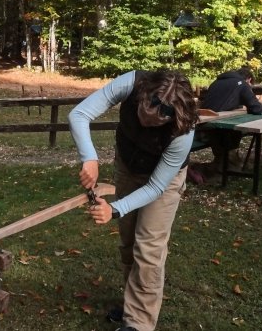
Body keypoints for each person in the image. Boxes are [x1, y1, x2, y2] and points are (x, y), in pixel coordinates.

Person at [68, 70, 198, 331]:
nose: (147, 120)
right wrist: (89, 157)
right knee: (128, 241)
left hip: (164, 180)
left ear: (173, 116)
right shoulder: (131, 83)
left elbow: (156, 187)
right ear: (143, 93)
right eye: (143, 111)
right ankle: (133, 305)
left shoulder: (182, 132)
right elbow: (79, 114)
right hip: (128, 166)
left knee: (148, 247)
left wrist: (115, 208)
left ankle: (138, 323)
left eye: (156, 121)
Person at [200, 66, 262, 172]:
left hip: (203, 125)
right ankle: (229, 166)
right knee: (236, 129)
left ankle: (224, 163)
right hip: (214, 130)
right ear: (249, 79)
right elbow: (257, 108)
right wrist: (249, 93)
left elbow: (223, 102)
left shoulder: (216, 82)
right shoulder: (242, 84)